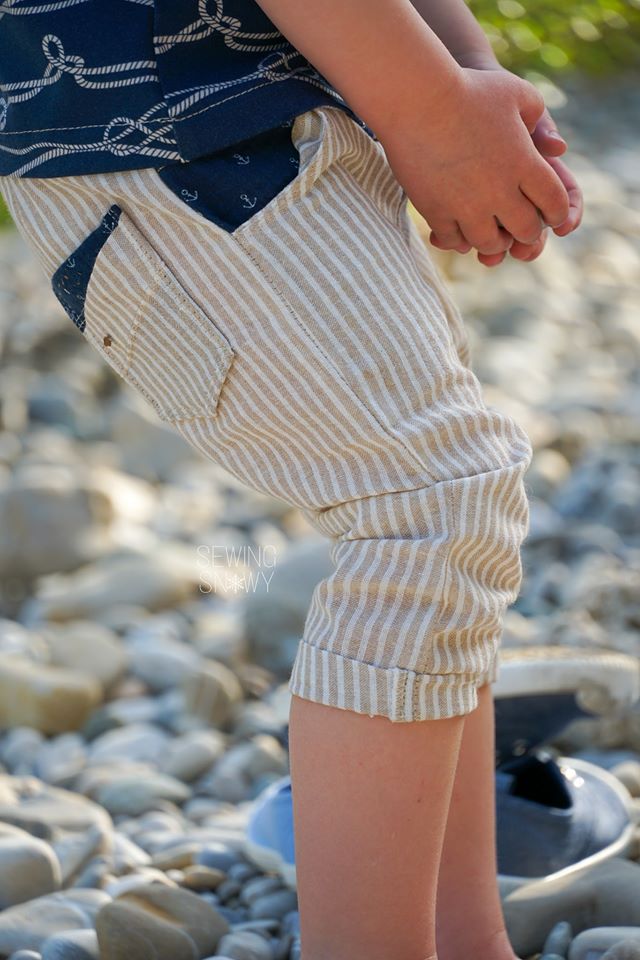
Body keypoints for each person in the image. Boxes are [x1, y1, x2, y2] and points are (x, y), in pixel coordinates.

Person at [0, 2, 583, 960]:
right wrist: (432, 106)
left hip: (270, 95)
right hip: (179, 118)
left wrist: (461, 73)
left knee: (447, 507)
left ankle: (462, 941)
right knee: (426, 512)